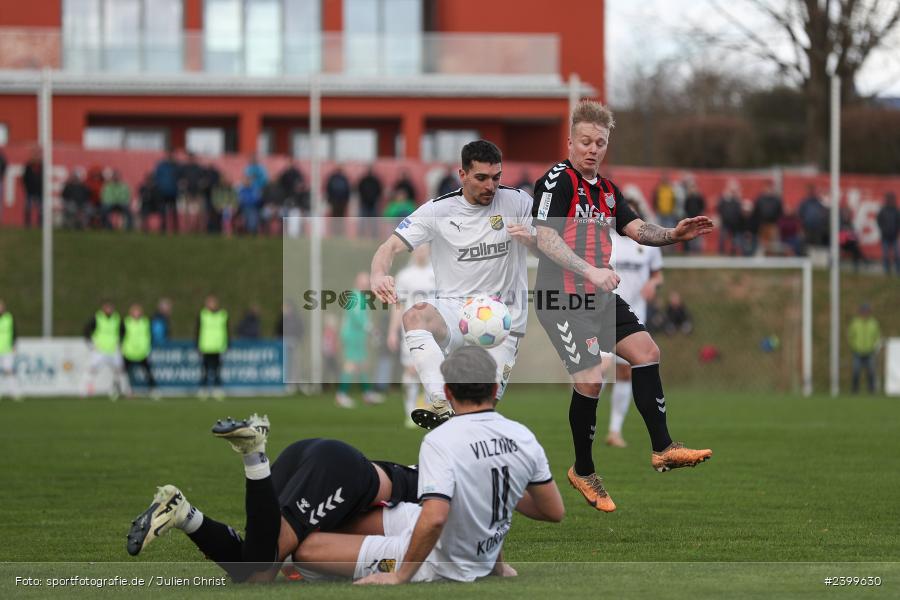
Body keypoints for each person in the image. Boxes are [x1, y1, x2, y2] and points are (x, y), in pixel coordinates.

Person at [532, 100, 712, 513]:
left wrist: (673, 234)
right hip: (560, 297)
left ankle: (663, 448)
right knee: (592, 378)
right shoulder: (556, 182)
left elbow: (636, 229)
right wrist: (591, 271)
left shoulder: (608, 192)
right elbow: (545, 237)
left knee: (647, 352)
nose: (592, 149)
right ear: (570, 142)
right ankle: (584, 469)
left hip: (597, 295)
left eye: (600, 142)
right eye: (585, 142)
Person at [293, 346, 564, 585]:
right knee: (337, 525)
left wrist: (400, 576)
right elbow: (553, 511)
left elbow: (434, 518)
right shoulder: (522, 436)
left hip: (439, 560)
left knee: (305, 551)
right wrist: (496, 485)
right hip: (458, 543)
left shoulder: (440, 440)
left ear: (447, 391)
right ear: (494, 389)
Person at [126, 413, 420, 584]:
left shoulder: (432, 480)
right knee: (262, 571)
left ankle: (184, 514)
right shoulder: (433, 500)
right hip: (338, 472)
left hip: (319, 458)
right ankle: (254, 456)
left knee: (254, 561)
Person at [370, 140, 536, 429]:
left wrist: (532, 241)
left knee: (478, 414)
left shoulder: (519, 202)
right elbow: (389, 247)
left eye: (496, 178)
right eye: (481, 178)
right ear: (462, 175)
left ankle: (461, 434)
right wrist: (378, 274)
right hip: (456, 311)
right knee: (415, 315)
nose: (491, 186)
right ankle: (440, 402)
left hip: (502, 320)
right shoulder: (438, 211)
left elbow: (550, 245)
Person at [605, 200, 663, 448]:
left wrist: (653, 284)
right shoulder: (608, 239)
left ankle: (614, 430)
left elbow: (658, 273)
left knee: (625, 372)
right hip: (604, 310)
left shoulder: (648, 244)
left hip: (634, 314)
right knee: (596, 372)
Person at [389, 244, 436, 428]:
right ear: (413, 251)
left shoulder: (437, 273)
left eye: (425, 248)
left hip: (434, 331)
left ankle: (427, 410)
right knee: (411, 370)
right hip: (410, 331)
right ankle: (410, 413)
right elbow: (398, 307)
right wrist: (392, 331)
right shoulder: (404, 276)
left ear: (430, 250)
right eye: (418, 248)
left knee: (431, 371)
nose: (422, 251)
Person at [335, 272, 382, 408]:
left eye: (367, 282)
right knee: (350, 365)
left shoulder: (361, 297)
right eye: (363, 282)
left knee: (362, 365)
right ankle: (341, 395)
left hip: (358, 336)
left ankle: (367, 394)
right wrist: (371, 329)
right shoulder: (354, 297)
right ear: (357, 282)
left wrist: (369, 330)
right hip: (352, 336)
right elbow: (357, 317)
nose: (365, 284)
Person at [83, 300, 130, 399]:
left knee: (120, 370)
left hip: (113, 349)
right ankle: (86, 390)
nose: (109, 310)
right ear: (103, 308)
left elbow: (123, 331)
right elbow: (86, 330)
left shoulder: (117, 318)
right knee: (92, 369)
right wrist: (90, 344)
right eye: (107, 307)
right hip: (100, 350)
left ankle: (124, 391)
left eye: (110, 307)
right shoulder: (97, 318)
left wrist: (120, 343)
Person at [121, 303, 158, 398]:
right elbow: (121, 335)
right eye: (135, 311)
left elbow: (149, 335)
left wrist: (147, 347)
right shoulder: (126, 322)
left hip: (142, 352)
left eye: (138, 312)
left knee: (147, 371)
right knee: (123, 372)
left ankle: (153, 389)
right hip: (129, 351)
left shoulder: (145, 322)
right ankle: (125, 390)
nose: (136, 313)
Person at [196, 294, 228, 400]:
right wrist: (197, 345)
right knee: (204, 369)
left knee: (217, 370)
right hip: (205, 346)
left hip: (218, 346)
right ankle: (203, 389)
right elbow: (197, 330)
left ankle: (217, 389)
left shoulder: (223, 315)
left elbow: (227, 330)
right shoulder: (202, 314)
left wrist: (226, 344)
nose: (211, 305)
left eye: (213, 302)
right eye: (209, 302)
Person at [847, 303, 881, 394]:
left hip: (870, 351)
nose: (865, 313)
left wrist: (874, 346)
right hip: (857, 351)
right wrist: (853, 346)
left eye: (867, 311)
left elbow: (877, 336)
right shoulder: (855, 323)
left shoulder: (873, 323)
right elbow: (850, 335)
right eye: (863, 311)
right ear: (860, 312)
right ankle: (855, 390)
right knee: (856, 371)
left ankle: (871, 390)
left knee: (871, 371)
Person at [753, 181, 783, 255]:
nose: (768, 189)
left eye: (770, 188)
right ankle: (763, 257)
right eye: (767, 188)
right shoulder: (760, 199)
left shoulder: (776, 199)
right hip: (762, 224)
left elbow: (780, 211)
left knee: (773, 242)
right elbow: (756, 211)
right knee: (763, 242)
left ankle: (772, 256)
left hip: (772, 224)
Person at [154, 150, 180, 233]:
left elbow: (179, 178)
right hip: (162, 192)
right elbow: (156, 178)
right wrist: (159, 187)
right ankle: (163, 228)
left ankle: (175, 228)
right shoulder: (161, 166)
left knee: (174, 211)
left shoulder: (176, 166)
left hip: (173, 192)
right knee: (162, 211)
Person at [0, 299, 21, 401]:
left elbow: (14, 332)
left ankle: (14, 392)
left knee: (8, 370)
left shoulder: (8, 317)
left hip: (7, 349)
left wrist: (14, 344)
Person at [716, 179, 743, 255]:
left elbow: (739, 210)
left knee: (734, 239)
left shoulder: (737, 198)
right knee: (723, 238)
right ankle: (721, 253)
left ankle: (733, 252)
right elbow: (720, 208)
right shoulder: (724, 198)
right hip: (725, 222)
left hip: (735, 223)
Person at [681, 177, 706, 254]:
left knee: (698, 235)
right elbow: (685, 208)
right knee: (690, 235)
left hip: (698, 220)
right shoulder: (688, 198)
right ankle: (690, 251)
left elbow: (702, 206)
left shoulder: (699, 197)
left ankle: (698, 251)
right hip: (690, 220)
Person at [357, 167, 384, 238]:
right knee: (363, 221)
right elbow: (359, 190)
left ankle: (374, 234)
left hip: (372, 203)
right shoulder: (364, 180)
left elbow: (379, 190)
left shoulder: (374, 180)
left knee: (373, 221)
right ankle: (362, 234)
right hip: (365, 203)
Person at [877, 191, 899, 275]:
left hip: (893, 236)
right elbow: (879, 220)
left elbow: (898, 221)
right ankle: (886, 270)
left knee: (896, 254)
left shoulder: (896, 210)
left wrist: (896, 230)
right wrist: (883, 229)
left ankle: (897, 270)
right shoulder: (883, 210)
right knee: (885, 254)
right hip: (885, 236)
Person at [22, 149, 43, 228]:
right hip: (30, 191)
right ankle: (28, 224)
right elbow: (25, 178)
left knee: (40, 209)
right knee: (28, 208)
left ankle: (40, 224)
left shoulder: (42, 166)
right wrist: (27, 188)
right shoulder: (28, 166)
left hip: (39, 191)